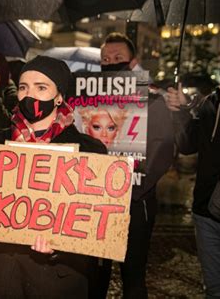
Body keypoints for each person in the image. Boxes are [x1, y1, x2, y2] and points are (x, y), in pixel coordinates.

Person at [0, 55, 108, 298]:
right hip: (1, 279)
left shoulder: (89, 150)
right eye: (23, 87)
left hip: (57, 283)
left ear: (59, 96)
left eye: (41, 87)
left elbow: (92, 229)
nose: (31, 95)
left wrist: (61, 247)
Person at [97, 32, 175, 298]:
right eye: (105, 59)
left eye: (118, 58)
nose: (110, 63)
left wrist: (135, 186)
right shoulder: (90, 98)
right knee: (96, 277)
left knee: (133, 277)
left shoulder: (152, 99)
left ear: (133, 63)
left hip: (135, 202)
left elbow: (164, 148)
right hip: (97, 202)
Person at [166, 33, 220, 298]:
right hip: (207, 216)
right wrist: (180, 113)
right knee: (217, 292)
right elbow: (187, 145)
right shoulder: (212, 104)